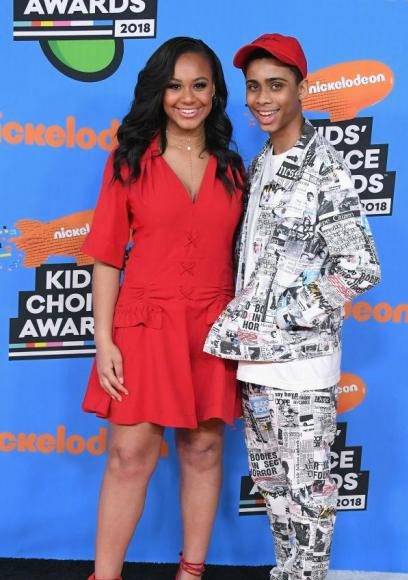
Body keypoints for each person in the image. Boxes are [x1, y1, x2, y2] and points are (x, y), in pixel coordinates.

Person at [204, 33, 381, 580]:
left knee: (307, 497)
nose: (262, 99)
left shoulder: (324, 167)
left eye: (276, 86)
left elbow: (361, 267)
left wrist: (278, 314)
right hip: (255, 363)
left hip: (302, 366)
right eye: (254, 86)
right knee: (274, 490)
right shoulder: (261, 162)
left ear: (301, 89)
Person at [81, 37, 244, 580]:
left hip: (213, 328)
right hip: (145, 327)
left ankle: (191, 573)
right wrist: (104, 341)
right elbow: (107, 257)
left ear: (215, 92)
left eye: (199, 85)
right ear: (159, 91)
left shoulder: (233, 170)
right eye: (174, 86)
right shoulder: (129, 162)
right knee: (129, 456)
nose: (187, 97)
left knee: (203, 450)